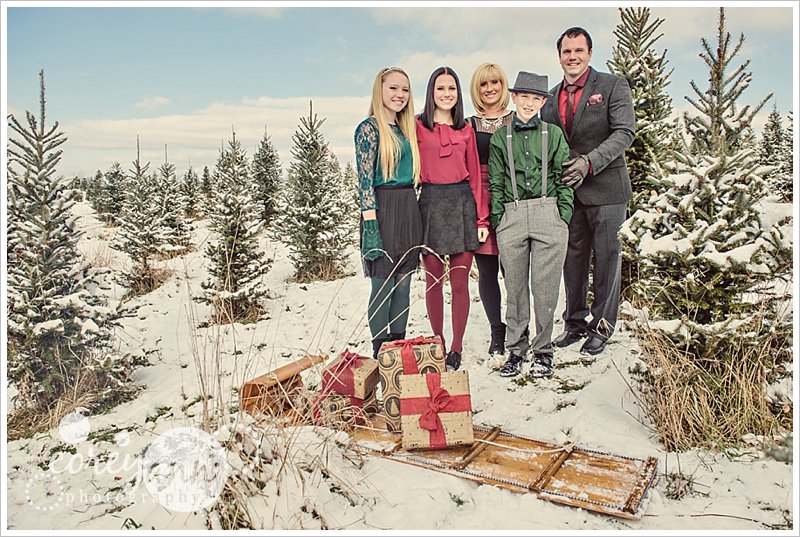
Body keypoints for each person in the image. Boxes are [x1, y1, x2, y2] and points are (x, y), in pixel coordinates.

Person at [540, 27, 636, 357]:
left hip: (607, 190)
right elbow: (550, 143)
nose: (573, 56)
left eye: (579, 50)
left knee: (608, 259)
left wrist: (590, 162)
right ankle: (574, 323)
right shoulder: (550, 98)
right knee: (573, 261)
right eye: (567, 51)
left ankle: (602, 326)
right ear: (559, 56)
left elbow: (625, 131)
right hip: (570, 194)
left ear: (590, 53)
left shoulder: (611, 86)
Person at [488, 71, 573, 379]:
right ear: (514, 98)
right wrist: (500, 218)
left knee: (545, 287)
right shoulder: (501, 137)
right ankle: (515, 349)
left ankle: (543, 350)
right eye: (523, 97)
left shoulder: (553, 134)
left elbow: (564, 175)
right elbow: (496, 181)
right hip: (512, 214)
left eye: (535, 98)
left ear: (542, 102)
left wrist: (563, 213)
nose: (529, 103)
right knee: (515, 289)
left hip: (547, 213)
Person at [416, 66, 488, 371]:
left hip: (461, 204)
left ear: (458, 94)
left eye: (452, 89)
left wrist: (481, 220)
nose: (446, 94)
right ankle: (438, 342)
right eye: (440, 88)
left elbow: (475, 176)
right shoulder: (418, 126)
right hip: (430, 203)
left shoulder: (466, 129)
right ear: (431, 92)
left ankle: (456, 347)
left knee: (460, 283)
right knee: (434, 282)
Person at [354, 66, 423, 359]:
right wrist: (371, 227)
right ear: (379, 90)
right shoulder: (368, 129)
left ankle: (398, 348)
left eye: (405, 89)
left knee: (404, 284)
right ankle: (380, 351)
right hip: (382, 211)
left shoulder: (407, 130)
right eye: (393, 88)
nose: (399, 95)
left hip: (409, 207)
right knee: (383, 286)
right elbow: (365, 181)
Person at [467, 63, 516, 360]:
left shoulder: (517, 118)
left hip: (512, 197)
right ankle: (496, 330)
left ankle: (517, 326)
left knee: (514, 270)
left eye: (495, 82)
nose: (490, 89)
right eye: (484, 84)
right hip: (480, 197)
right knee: (487, 270)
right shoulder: (470, 124)